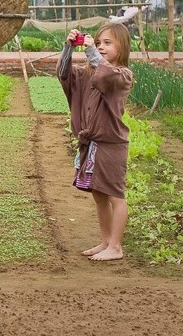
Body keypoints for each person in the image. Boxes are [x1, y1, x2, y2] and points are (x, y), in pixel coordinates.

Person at [57, 23, 133, 262]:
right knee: (99, 194)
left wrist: (91, 53)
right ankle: (106, 241)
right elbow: (64, 74)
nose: (101, 47)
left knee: (115, 195)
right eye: (99, 43)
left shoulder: (122, 75)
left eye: (107, 43)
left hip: (111, 146)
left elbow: (106, 74)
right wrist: (68, 48)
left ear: (123, 48)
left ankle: (117, 247)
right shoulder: (88, 73)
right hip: (92, 145)